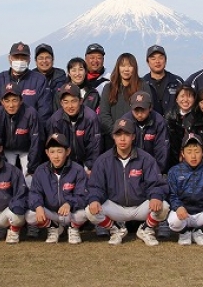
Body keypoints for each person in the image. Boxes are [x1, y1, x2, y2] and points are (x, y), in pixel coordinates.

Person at [85, 118, 170, 247]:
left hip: (140, 206)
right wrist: (94, 199)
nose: (122, 139)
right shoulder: (103, 161)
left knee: (163, 206)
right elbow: (95, 186)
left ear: (133, 136)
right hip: (116, 206)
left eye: (127, 134)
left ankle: (146, 229)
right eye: (118, 134)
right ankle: (116, 229)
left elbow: (156, 183)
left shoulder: (146, 159)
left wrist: (156, 196)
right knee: (89, 211)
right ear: (113, 137)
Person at [26, 132, 88, 244]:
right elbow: (34, 193)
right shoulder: (41, 170)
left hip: (71, 213)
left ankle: (73, 229)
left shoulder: (78, 170)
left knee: (87, 211)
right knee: (30, 215)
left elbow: (83, 195)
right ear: (47, 153)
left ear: (67, 151)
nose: (56, 156)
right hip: (51, 213)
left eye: (60, 151)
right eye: (52, 152)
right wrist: (38, 206)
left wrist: (69, 203)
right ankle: (53, 227)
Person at [0, 42, 52, 125]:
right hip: (4, 130)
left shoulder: (40, 80)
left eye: (23, 57)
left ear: (29, 59)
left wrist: (33, 129)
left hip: (31, 130)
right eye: (16, 57)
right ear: (9, 58)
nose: (20, 61)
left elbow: (44, 112)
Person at [0, 83, 42, 181]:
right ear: (2, 102)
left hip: (27, 149)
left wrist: (32, 168)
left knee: (29, 179)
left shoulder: (31, 114)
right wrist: (2, 163)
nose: (11, 105)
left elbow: (36, 142)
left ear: (21, 100)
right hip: (7, 149)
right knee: (6, 177)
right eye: (7, 101)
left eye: (14, 100)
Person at [99, 53, 152, 152]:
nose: (126, 69)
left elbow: (148, 112)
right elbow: (104, 114)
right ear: (118, 68)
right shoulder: (109, 88)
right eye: (123, 66)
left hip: (137, 141)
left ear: (134, 68)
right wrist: (117, 134)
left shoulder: (143, 86)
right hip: (112, 141)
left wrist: (131, 136)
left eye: (130, 66)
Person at [46, 83, 101, 174]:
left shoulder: (91, 118)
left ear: (81, 101)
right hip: (65, 162)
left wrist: (90, 167)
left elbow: (94, 147)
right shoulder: (56, 120)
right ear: (61, 103)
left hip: (85, 162)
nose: (70, 106)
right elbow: (55, 148)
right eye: (66, 102)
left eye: (74, 101)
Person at [120, 91, 168, 173]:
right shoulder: (125, 122)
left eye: (143, 110)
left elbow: (162, 149)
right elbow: (122, 149)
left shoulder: (159, 121)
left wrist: (157, 172)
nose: (139, 114)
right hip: (130, 167)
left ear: (150, 108)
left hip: (153, 167)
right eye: (136, 110)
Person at [142, 45, 183, 116]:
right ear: (147, 62)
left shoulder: (177, 82)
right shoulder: (141, 83)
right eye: (153, 58)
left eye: (161, 58)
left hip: (174, 122)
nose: (157, 61)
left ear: (165, 60)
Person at [164, 85, 196, 171]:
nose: (185, 100)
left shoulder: (198, 116)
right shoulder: (169, 115)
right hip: (173, 158)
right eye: (182, 96)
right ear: (176, 99)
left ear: (194, 99)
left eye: (189, 96)